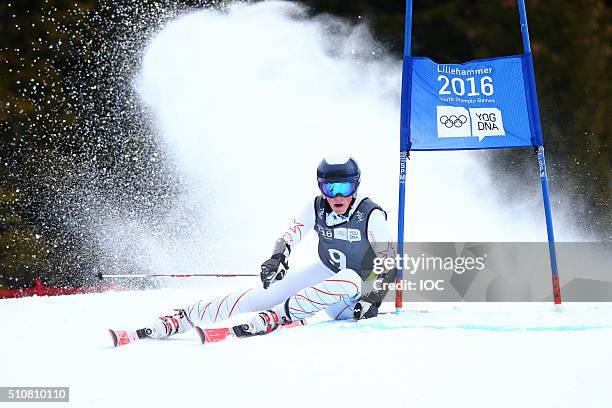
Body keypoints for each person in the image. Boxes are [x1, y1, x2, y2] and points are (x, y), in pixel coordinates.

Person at [137, 156, 396, 339]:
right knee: (261, 296)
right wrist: (277, 258)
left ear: (356, 186)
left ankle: (277, 316)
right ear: (321, 187)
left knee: (351, 276)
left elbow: (389, 262)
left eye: (345, 187)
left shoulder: (370, 213)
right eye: (331, 188)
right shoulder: (317, 206)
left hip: (355, 299)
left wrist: (372, 299)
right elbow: (289, 235)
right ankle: (185, 317)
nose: (338, 196)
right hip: (326, 276)